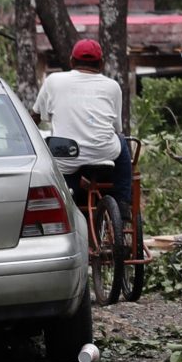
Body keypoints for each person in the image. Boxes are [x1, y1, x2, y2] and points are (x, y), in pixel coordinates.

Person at [33, 38, 130, 226]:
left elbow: (36, 115)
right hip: (103, 154)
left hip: (66, 156)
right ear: (101, 64)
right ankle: (123, 201)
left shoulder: (54, 81)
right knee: (121, 141)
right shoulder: (112, 87)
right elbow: (117, 127)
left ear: (71, 62)